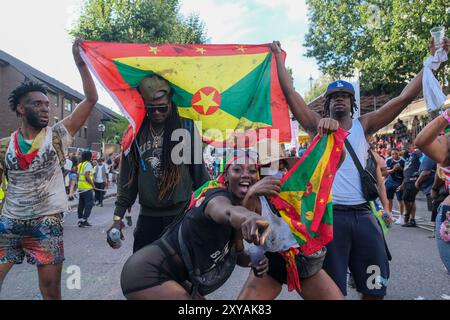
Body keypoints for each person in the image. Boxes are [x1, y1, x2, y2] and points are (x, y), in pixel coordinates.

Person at [272, 38, 429, 299]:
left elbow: (405, 97)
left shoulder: (364, 125)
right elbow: (291, 95)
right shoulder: (316, 126)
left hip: (365, 215)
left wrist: (431, 62)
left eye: (345, 96)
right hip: (331, 219)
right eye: (334, 97)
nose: (340, 101)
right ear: (327, 103)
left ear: (352, 103)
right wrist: (278, 57)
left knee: (375, 287)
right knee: (334, 293)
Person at [0, 38, 98, 300]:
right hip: (8, 223)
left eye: (48, 105)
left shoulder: (57, 136)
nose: (46, 109)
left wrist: (81, 63)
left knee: (51, 291)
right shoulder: (4, 147)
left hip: (46, 223)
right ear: (21, 108)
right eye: (38, 104)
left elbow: (90, 99)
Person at [120, 150, 271, 299]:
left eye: (252, 171)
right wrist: (248, 217)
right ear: (225, 175)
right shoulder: (216, 198)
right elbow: (228, 212)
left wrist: (254, 261)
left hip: (178, 279)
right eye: (237, 169)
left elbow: (238, 255)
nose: (245, 174)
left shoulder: (239, 209)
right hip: (146, 273)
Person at [108, 74, 210, 253]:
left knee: (180, 275)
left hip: (180, 217)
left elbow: (201, 178)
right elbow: (126, 183)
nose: (156, 113)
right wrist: (117, 218)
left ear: (170, 102)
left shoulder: (186, 128)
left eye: (162, 108)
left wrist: (210, 211)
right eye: (151, 108)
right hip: (148, 219)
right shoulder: (134, 132)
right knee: (142, 275)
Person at [238, 135, 345, 300]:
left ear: (285, 166)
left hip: (305, 263)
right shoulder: (255, 198)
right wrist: (252, 193)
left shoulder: (301, 187)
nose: (275, 171)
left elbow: (335, 160)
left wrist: (332, 134)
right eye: (266, 167)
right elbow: (245, 224)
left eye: (279, 165)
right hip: (271, 265)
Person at [397, 148, 422, 227]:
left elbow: (423, 161)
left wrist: (419, 175)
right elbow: (406, 173)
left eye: (402, 150)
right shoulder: (407, 159)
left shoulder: (416, 153)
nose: (401, 151)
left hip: (413, 180)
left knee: (406, 198)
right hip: (407, 181)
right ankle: (412, 220)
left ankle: (407, 215)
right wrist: (402, 185)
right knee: (411, 200)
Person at [385, 149, 406, 224]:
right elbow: (385, 172)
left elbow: (406, 173)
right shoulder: (388, 160)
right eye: (393, 154)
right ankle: (390, 215)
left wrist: (400, 168)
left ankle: (401, 217)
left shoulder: (403, 161)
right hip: (390, 181)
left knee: (400, 200)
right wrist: (394, 169)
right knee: (389, 199)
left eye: (396, 154)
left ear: (399, 153)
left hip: (399, 182)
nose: (394, 155)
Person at [77, 151, 95, 227]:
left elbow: (78, 176)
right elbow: (87, 176)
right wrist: (93, 185)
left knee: (81, 204)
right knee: (89, 204)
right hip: (87, 188)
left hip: (81, 187)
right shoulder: (88, 164)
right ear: (89, 157)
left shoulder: (80, 164)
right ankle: (84, 220)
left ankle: (80, 220)